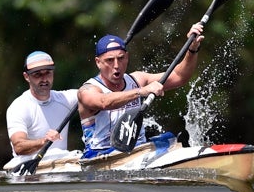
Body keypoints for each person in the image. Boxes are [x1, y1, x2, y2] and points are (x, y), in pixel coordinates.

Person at [77, 23, 205, 159]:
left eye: (121, 58)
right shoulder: (87, 90)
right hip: (101, 157)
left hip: (138, 151)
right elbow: (104, 102)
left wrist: (192, 50)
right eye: (109, 60)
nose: (116, 65)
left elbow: (179, 77)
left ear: (127, 57)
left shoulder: (137, 79)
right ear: (98, 62)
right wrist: (141, 91)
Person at [4, 51, 79, 169]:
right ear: (26, 77)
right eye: (37, 74)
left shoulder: (65, 99)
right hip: (29, 169)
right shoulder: (19, 107)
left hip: (62, 165)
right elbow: (19, 146)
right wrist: (44, 141)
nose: (44, 79)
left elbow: (96, 94)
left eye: (48, 73)